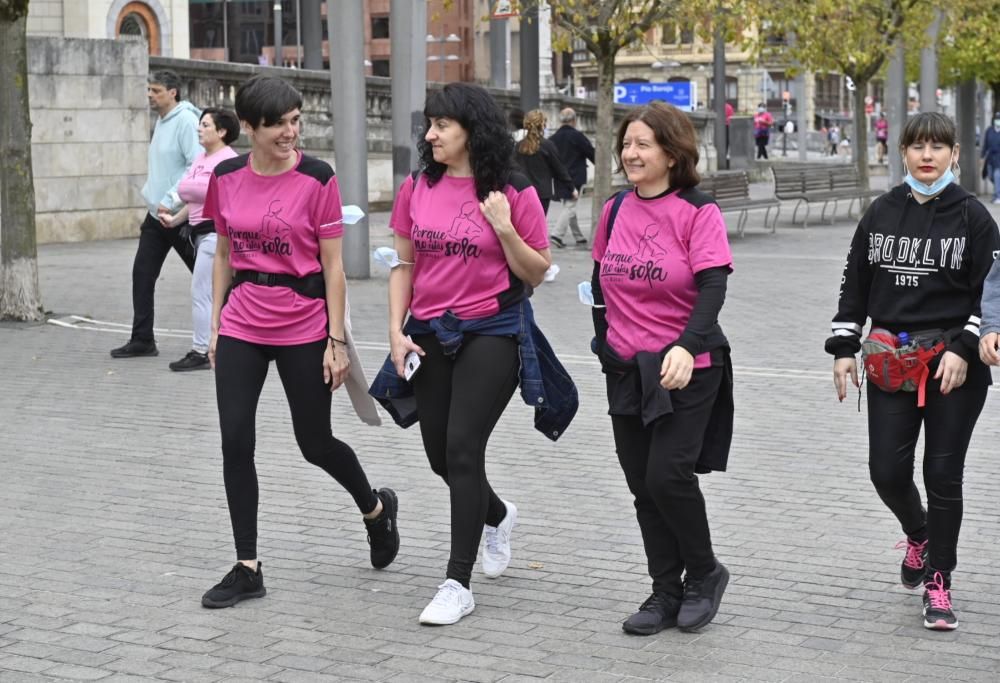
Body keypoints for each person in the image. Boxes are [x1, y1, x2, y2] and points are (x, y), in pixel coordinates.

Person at [372, 83, 577, 626]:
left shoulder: (512, 188)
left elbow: (536, 272)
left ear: (472, 131)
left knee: (463, 449)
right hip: (429, 333)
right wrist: (395, 331)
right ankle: (497, 513)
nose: (431, 134)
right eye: (430, 125)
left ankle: (456, 583)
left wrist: (505, 227)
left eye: (443, 125)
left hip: (494, 330)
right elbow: (404, 265)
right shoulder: (418, 186)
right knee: (440, 456)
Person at [199, 75, 399, 608]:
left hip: (303, 324)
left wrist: (335, 341)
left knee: (314, 442)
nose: (292, 131)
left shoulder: (316, 177)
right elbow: (223, 254)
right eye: (279, 124)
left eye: (295, 120)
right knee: (234, 441)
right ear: (248, 128)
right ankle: (247, 567)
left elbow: (333, 267)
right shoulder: (226, 176)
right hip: (243, 321)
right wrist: (216, 326)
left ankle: (375, 508)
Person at [827, 112, 999, 631]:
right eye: (917, 145)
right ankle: (918, 534)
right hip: (889, 363)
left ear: (954, 154)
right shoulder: (880, 212)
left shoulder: (973, 216)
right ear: (901, 152)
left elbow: (989, 293)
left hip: (953, 367)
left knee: (943, 474)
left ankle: (939, 580)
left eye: (938, 146)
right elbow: (853, 285)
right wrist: (842, 347)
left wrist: (965, 349)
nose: (928, 155)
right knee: (887, 471)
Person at [591, 102, 735, 635]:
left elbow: (713, 286)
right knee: (641, 485)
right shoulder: (613, 210)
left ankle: (704, 573)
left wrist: (684, 345)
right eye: (627, 144)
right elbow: (600, 283)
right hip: (627, 368)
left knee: (667, 475)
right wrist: (604, 339)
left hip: (689, 367)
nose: (630, 153)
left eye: (642, 144)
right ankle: (664, 591)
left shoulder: (698, 211)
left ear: (672, 154)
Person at [110, 70, 200, 359]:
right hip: (156, 216)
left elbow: (195, 166)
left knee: (207, 278)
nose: (150, 95)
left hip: (180, 216)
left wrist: (171, 198)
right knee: (142, 274)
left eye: (156, 90)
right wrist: (156, 200)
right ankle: (142, 339)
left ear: (173, 92)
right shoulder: (161, 121)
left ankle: (241, 335)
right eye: (149, 89)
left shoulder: (186, 120)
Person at [158, 108, 240, 371]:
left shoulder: (228, 161)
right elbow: (193, 198)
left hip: (216, 236)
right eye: (200, 124)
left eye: (205, 125)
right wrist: (174, 220)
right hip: (199, 234)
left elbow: (227, 200)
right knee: (210, 292)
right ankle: (220, 343)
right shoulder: (201, 159)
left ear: (222, 131)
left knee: (202, 292)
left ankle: (201, 350)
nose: (199, 129)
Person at [514, 110, 575, 217]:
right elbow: (559, 169)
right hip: (542, 193)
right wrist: (571, 188)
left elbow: (512, 168)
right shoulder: (547, 145)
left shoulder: (519, 146)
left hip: (522, 191)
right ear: (543, 125)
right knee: (539, 224)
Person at [549, 107, 595, 248]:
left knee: (569, 206)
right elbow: (592, 154)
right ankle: (557, 235)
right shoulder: (577, 136)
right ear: (574, 120)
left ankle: (578, 236)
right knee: (570, 207)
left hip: (558, 177)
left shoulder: (553, 138)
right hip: (575, 177)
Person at [979, 113, 1000, 205]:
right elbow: (985, 145)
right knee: (991, 176)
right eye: (996, 119)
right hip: (990, 158)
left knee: (997, 175)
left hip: (999, 158)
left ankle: (997, 196)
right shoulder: (989, 131)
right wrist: (982, 156)